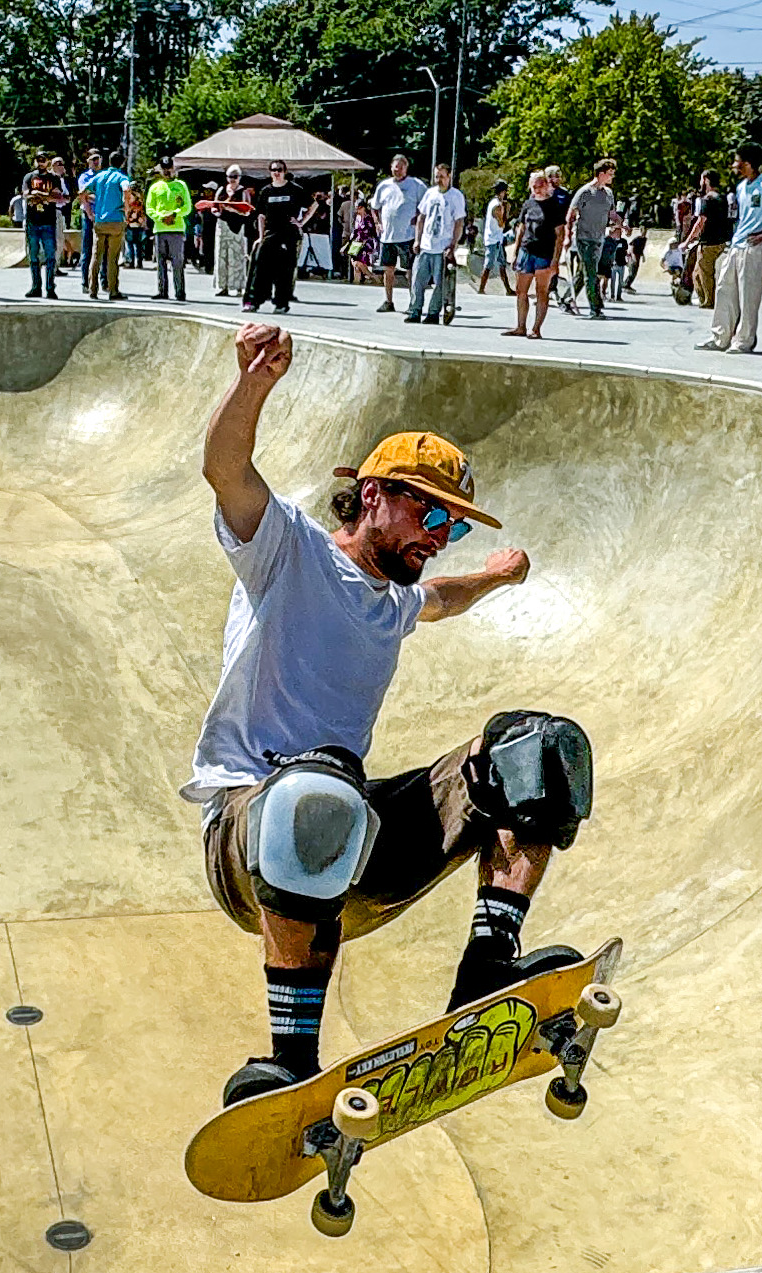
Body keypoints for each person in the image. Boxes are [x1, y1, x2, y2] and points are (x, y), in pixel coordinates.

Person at [192, 322, 593, 1106]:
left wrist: (494, 576)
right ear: (371, 494)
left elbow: (438, 600)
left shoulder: (396, 601)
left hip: (350, 853)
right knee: (323, 785)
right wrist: (254, 384)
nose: (437, 537)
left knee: (534, 751)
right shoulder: (288, 550)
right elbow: (224, 468)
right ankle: (290, 1058)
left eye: (450, 527)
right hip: (247, 841)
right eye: (427, 515)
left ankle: (486, 969)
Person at [696, 143, 762, 355]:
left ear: (747, 163)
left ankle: (744, 340)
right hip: (737, 243)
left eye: (737, 160)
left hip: (755, 246)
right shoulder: (741, 187)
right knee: (724, 288)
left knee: (748, 294)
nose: (733, 165)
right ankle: (720, 336)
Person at [504, 169, 566, 339]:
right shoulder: (528, 204)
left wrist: (555, 260)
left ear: (546, 185)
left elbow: (560, 234)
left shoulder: (554, 206)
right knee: (521, 290)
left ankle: (536, 328)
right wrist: (515, 252)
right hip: (526, 250)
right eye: (534, 186)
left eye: (540, 185)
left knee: (541, 291)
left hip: (544, 254)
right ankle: (520, 326)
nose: (537, 189)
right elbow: (521, 228)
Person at [242, 159, 309, 314]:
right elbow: (260, 216)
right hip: (270, 233)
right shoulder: (266, 191)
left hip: (288, 234)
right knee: (259, 267)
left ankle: (281, 303)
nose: (276, 173)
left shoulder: (294, 189)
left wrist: (301, 222)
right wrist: (260, 236)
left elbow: (313, 205)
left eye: (279, 169)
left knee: (284, 271)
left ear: (284, 171)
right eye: (273, 170)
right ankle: (253, 301)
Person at [405, 162, 464, 325]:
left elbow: (459, 222)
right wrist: (417, 239)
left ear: (449, 176)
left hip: (442, 246)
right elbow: (421, 218)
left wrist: (453, 245)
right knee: (417, 280)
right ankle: (415, 310)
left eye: (442, 177)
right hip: (426, 244)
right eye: (437, 176)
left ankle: (433, 313)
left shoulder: (455, 196)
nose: (439, 180)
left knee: (440, 283)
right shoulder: (430, 194)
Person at [369, 155, 427, 314]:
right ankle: (388, 301)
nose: (398, 170)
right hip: (388, 236)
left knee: (410, 271)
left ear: (406, 168)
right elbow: (374, 206)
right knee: (388, 269)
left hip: (407, 236)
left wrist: (419, 220)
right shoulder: (384, 186)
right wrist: (377, 222)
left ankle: (413, 303)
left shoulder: (416, 185)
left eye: (401, 167)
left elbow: (426, 206)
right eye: (395, 167)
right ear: (391, 167)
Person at [565, 158, 616, 320]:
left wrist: (622, 225)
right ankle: (596, 308)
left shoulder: (608, 194)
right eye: (609, 174)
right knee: (591, 273)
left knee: (585, 270)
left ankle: (566, 299)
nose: (611, 177)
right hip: (584, 238)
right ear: (601, 174)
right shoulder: (585, 192)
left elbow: (612, 214)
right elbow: (571, 215)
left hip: (599, 238)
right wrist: (567, 237)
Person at [80, 149, 129, 300]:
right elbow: (126, 188)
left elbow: (82, 192)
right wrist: (125, 208)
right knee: (112, 258)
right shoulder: (121, 177)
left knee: (96, 256)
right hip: (115, 220)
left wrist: (89, 212)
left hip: (100, 220)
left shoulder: (100, 176)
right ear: (122, 163)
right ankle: (113, 290)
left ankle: (92, 290)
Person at [147, 154, 193, 302]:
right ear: (160, 169)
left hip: (177, 228)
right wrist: (161, 216)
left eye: (169, 168)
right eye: (164, 168)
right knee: (160, 263)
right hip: (160, 228)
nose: (167, 171)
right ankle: (162, 290)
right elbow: (150, 208)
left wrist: (174, 214)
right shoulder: (155, 187)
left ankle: (180, 291)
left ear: (173, 168)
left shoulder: (181, 185)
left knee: (177, 262)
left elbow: (187, 207)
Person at [684, 169, 732, 309]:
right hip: (719, 240)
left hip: (709, 242)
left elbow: (700, 222)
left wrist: (687, 241)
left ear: (705, 180)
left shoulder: (708, 199)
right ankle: (704, 298)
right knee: (698, 273)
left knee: (704, 273)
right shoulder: (722, 198)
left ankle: (708, 301)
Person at [20, 152, 61, 298]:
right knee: (33, 257)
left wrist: (40, 194)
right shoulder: (29, 177)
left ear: (48, 162)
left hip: (48, 222)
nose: (40, 163)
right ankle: (35, 286)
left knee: (50, 256)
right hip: (33, 222)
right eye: (38, 160)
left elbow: (57, 197)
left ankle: (50, 287)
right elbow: (25, 194)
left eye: (43, 160)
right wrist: (40, 195)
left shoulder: (54, 178)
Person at [212, 164, 254, 298]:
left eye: (235, 177)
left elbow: (248, 211)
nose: (232, 180)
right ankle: (222, 286)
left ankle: (238, 287)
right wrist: (216, 211)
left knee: (237, 257)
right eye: (230, 177)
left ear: (239, 177)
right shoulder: (221, 190)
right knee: (220, 257)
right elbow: (214, 206)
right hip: (222, 225)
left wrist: (233, 210)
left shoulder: (243, 192)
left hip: (237, 228)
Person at [478, 179, 513, 295]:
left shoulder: (494, 203)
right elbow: (501, 223)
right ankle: (481, 289)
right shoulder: (498, 206)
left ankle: (507, 289)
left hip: (497, 238)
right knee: (489, 265)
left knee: (502, 264)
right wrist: (507, 211)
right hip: (494, 239)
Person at [76, 147, 103, 288]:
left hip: (103, 215)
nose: (96, 162)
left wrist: (96, 197)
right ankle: (85, 281)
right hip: (88, 215)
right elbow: (85, 196)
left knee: (103, 248)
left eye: (98, 159)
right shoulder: (85, 177)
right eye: (93, 159)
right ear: (88, 161)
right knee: (87, 248)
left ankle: (104, 281)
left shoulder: (104, 176)